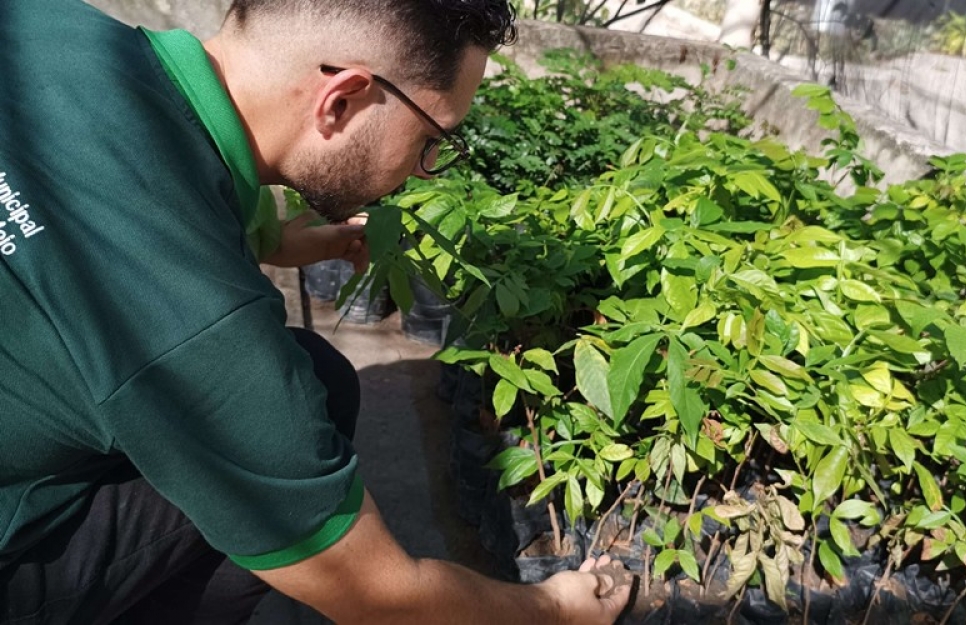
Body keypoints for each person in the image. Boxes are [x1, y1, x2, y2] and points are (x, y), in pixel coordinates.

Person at [0, 1, 631, 623]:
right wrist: (555, 608)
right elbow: (380, 597)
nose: (422, 171)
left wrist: (268, 238)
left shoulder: (44, 23)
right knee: (309, 420)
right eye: (430, 141)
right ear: (343, 99)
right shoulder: (201, 330)